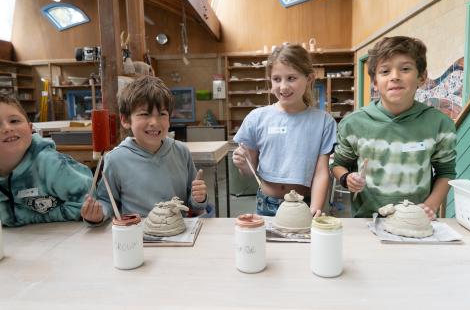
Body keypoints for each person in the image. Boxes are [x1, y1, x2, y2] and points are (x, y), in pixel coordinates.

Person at [331, 36, 457, 219]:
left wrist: (431, 205)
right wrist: (346, 178)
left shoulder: (439, 124)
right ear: (375, 82)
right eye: (385, 71)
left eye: (405, 69)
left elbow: (446, 172)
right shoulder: (354, 123)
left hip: (416, 221)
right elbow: (339, 164)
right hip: (368, 220)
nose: (395, 76)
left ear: (421, 77)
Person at [81, 75, 209, 224]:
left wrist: (200, 198)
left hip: (177, 232)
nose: (154, 122)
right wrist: (98, 213)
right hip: (137, 236)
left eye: (162, 114)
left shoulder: (181, 151)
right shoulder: (115, 159)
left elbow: (193, 202)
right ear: (126, 120)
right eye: (144, 114)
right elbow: (106, 201)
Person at [232, 44, 337, 217]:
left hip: (304, 205)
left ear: (309, 79)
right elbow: (249, 172)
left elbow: (321, 173)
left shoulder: (323, 122)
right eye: (277, 79)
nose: (283, 86)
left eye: (291, 78)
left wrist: (316, 209)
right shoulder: (256, 118)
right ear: (270, 81)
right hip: (266, 203)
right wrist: (243, 164)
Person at [0, 94, 92, 227]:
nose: (7, 128)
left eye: (14, 121)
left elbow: (89, 202)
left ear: (30, 128)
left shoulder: (52, 165)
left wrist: (20, 217)